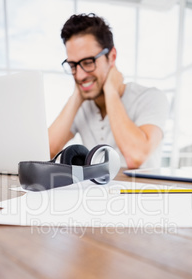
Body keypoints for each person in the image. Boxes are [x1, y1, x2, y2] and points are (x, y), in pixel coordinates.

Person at [48, 13, 169, 169]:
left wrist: (111, 91)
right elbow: (46, 151)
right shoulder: (82, 105)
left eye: (88, 62)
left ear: (111, 57)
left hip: (142, 192)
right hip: (96, 191)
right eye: (73, 65)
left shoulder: (151, 97)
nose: (79, 75)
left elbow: (135, 157)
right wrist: (76, 96)